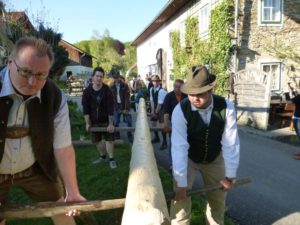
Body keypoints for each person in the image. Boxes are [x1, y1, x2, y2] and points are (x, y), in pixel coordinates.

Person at [0, 36, 85, 225]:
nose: (32, 82)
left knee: (62, 211)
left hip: (35, 168)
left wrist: (72, 191)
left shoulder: (54, 96)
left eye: (41, 75)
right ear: (10, 63)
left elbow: (63, 148)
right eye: (25, 72)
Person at [170, 65, 240, 225]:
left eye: (200, 93)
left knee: (217, 204)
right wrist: (181, 183)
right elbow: (179, 147)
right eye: (191, 93)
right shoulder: (180, 110)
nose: (195, 98)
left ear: (211, 90)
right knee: (179, 204)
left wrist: (230, 176)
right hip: (189, 159)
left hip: (215, 159)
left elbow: (231, 142)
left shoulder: (226, 107)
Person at [82, 67, 117, 169]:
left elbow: (111, 108)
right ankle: (102, 157)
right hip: (94, 121)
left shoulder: (107, 91)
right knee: (97, 140)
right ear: (93, 77)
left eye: (101, 77)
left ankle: (111, 159)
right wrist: (87, 123)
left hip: (106, 120)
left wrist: (111, 124)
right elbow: (86, 109)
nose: (98, 78)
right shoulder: (87, 92)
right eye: (97, 76)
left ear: (103, 78)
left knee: (109, 140)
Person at [163, 79, 187, 168]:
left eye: (178, 87)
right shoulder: (169, 96)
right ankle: (172, 164)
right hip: (172, 123)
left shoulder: (186, 96)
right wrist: (166, 124)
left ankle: (183, 162)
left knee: (184, 143)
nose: (176, 88)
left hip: (184, 123)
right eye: (175, 86)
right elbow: (166, 112)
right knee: (173, 143)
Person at [110, 69, 133, 143]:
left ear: (119, 77)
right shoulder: (112, 86)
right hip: (117, 106)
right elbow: (112, 99)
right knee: (116, 122)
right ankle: (117, 136)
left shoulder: (125, 85)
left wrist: (126, 109)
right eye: (115, 77)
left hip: (125, 105)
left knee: (129, 121)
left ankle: (129, 135)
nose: (116, 79)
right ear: (113, 78)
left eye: (117, 77)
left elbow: (127, 98)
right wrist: (116, 108)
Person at [149, 75, 168, 150]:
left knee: (162, 126)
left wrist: (155, 112)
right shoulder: (151, 89)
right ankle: (157, 138)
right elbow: (152, 101)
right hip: (156, 108)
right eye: (153, 81)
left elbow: (160, 104)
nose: (155, 82)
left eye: (156, 81)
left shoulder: (162, 91)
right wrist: (152, 111)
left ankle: (165, 142)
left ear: (159, 82)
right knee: (153, 124)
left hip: (163, 109)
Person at [287, 82, 300, 160]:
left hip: (298, 118)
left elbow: (290, 101)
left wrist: (290, 91)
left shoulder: (298, 97)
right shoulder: (298, 96)